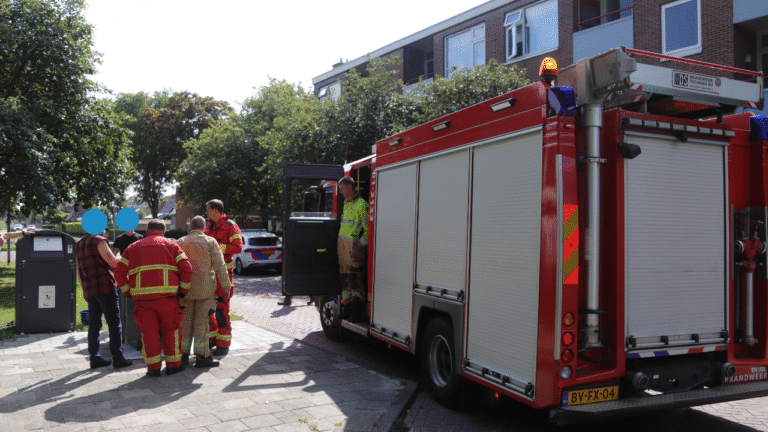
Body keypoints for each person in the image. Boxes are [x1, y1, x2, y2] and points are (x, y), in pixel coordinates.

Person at [115, 219, 193, 377]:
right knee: (171, 331)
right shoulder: (172, 246)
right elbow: (187, 268)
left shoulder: (132, 247)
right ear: (163, 231)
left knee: (149, 334)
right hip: (168, 299)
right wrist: (183, 291)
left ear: (147, 231)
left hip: (143, 301)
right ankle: (173, 366)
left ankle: (153, 368)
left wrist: (127, 291)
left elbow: (119, 272)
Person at [75, 230, 133, 370]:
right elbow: (113, 262)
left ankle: (94, 358)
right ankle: (118, 358)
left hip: (90, 289)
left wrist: (84, 289)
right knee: (114, 324)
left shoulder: (79, 244)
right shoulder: (98, 241)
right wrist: (126, 261)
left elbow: (79, 270)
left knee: (94, 325)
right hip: (104, 287)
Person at [176, 216, 229, 368]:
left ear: (191, 227)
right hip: (205, 291)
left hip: (185, 290)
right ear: (204, 228)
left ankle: (183, 357)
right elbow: (220, 266)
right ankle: (202, 357)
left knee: (185, 323)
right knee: (202, 324)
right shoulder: (210, 242)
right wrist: (226, 288)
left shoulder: (180, 242)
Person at [203, 199, 243, 356]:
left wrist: (217, 247)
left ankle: (223, 344)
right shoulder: (208, 228)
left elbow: (238, 247)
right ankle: (212, 340)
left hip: (223, 276)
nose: (206, 213)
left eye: (208, 210)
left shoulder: (230, 226)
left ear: (215, 210)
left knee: (221, 310)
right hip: (209, 276)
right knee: (208, 310)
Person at [337, 176, 369, 319]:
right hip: (343, 248)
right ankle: (347, 309)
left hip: (353, 249)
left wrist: (358, 246)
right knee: (345, 279)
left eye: (342, 189)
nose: (341, 192)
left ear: (350, 187)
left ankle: (357, 312)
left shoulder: (362, 205)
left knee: (355, 280)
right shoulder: (347, 204)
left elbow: (369, 230)